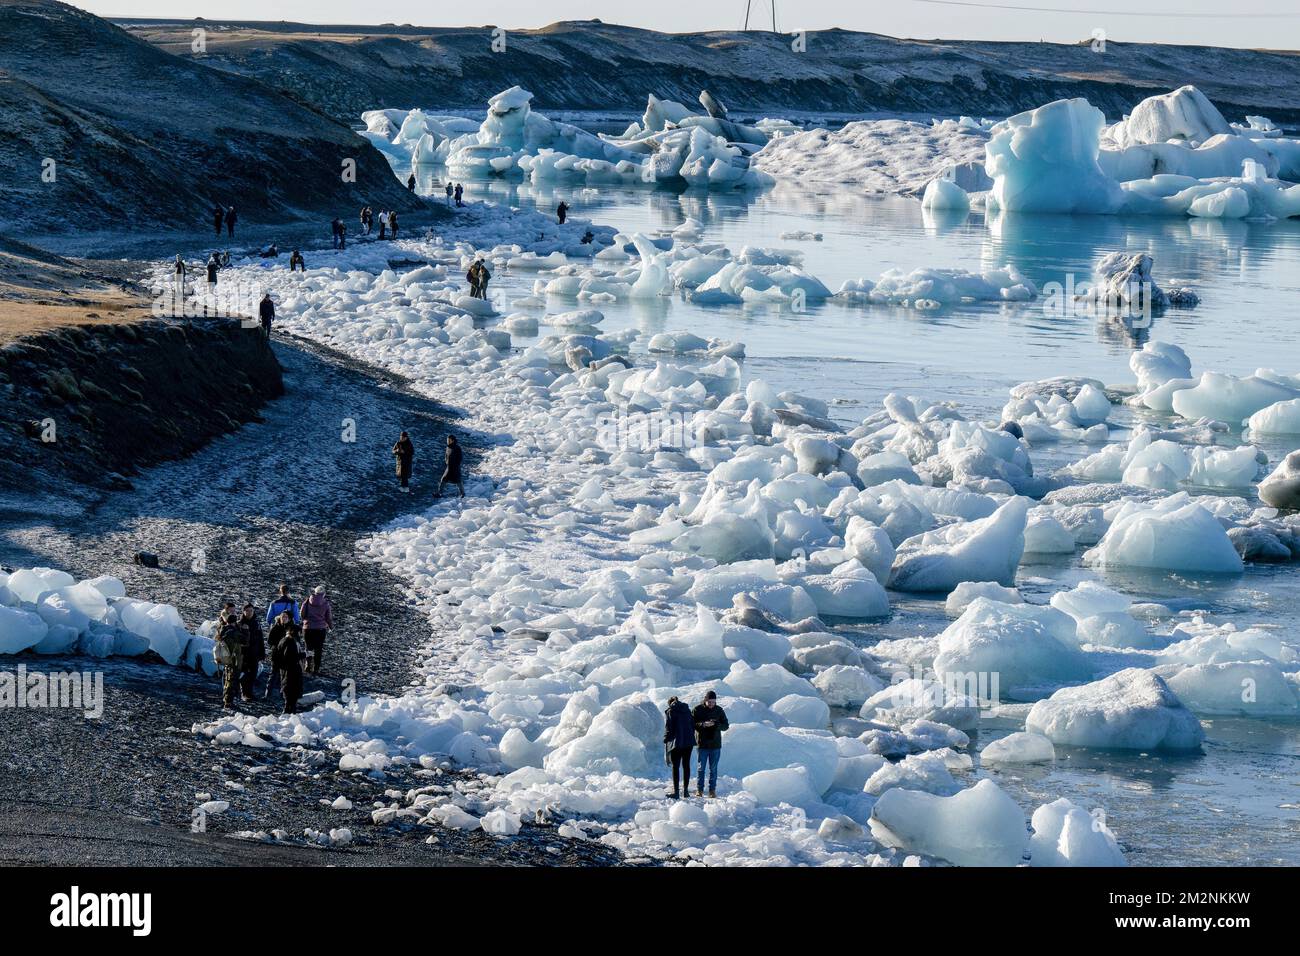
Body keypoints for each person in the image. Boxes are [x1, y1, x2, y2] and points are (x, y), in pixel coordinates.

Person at [693, 690, 729, 798]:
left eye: (713, 702)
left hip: (715, 745)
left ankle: (712, 790)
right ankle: (699, 789)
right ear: (705, 700)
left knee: (713, 769)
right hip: (702, 744)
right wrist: (703, 724)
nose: (711, 704)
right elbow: (691, 724)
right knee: (701, 768)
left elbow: (726, 726)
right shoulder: (697, 709)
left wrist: (716, 724)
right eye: (709, 702)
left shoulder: (719, 710)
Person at [268, 610, 305, 713]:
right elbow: (291, 657)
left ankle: (287, 706)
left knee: (286, 685)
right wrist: (304, 655)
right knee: (289, 687)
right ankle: (286, 708)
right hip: (289, 667)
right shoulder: (289, 640)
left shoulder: (288, 638)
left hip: (285, 665)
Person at [215, 606, 248, 708]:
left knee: (227, 679)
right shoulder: (234, 632)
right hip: (235, 660)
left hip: (226, 658)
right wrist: (245, 631)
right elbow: (245, 641)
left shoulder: (223, 631)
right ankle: (228, 701)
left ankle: (226, 698)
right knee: (232, 680)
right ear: (234, 622)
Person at [663, 695, 695, 799]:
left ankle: (676, 793)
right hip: (689, 742)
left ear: (670, 703)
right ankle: (686, 791)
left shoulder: (670, 711)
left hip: (677, 743)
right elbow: (692, 725)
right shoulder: (687, 710)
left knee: (675, 767)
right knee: (686, 766)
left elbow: (669, 728)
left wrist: (666, 739)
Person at [300, 585, 333, 675]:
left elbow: (302, 613)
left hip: (308, 628)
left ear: (315, 592)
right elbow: (328, 617)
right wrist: (330, 626)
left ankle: (307, 665)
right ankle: (316, 668)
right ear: (323, 594)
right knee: (318, 649)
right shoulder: (325, 603)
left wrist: (305, 621)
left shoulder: (307, 601)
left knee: (308, 647)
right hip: (320, 629)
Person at [238, 603, 265, 700]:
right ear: (243, 611)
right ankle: (244, 693)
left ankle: (249, 692)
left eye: (251, 611)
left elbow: (260, 639)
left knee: (253, 674)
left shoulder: (257, 624)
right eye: (247, 611)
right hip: (243, 653)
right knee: (244, 673)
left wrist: (262, 653)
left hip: (254, 653)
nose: (249, 613)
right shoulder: (240, 624)